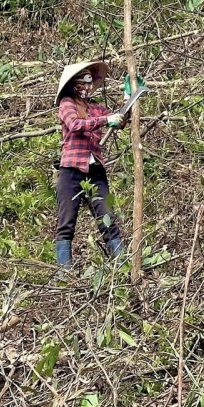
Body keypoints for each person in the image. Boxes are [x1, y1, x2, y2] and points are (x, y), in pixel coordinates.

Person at [53, 60, 128, 267]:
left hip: (95, 170)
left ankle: (123, 266)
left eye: (90, 82)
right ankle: (64, 274)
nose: (87, 87)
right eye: (83, 82)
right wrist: (106, 120)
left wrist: (128, 97)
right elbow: (75, 125)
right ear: (73, 84)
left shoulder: (95, 107)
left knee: (107, 217)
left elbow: (119, 121)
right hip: (71, 169)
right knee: (66, 222)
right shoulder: (66, 103)